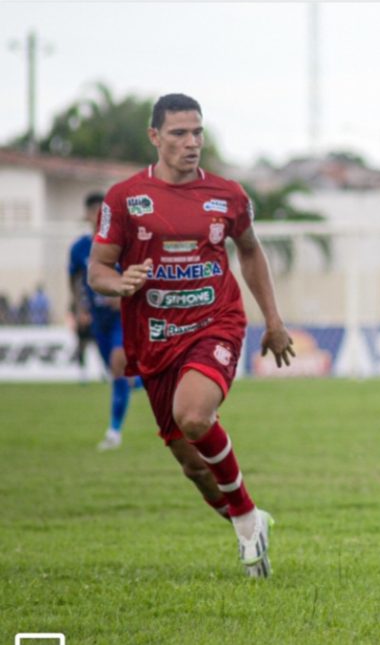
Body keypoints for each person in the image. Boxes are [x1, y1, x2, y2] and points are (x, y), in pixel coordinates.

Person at [88, 93, 295, 578]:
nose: (191, 142)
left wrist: (274, 320)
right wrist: (119, 283)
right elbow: (97, 268)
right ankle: (248, 518)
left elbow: (250, 253)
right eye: (179, 132)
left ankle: (245, 522)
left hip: (215, 324)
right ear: (154, 137)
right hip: (155, 338)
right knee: (194, 467)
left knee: (195, 416)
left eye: (197, 131)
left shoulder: (228, 195)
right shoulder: (124, 198)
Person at [69, 192, 137, 449]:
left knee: (118, 364)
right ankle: (140, 379)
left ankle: (114, 431)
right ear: (87, 215)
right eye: (94, 211)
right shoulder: (79, 248)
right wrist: (79, 309)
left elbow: (139, 274)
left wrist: (125, 295)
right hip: (98, 319)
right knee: (116, 372)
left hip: (123, 316)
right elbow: (76, 281)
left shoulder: (124, 243)